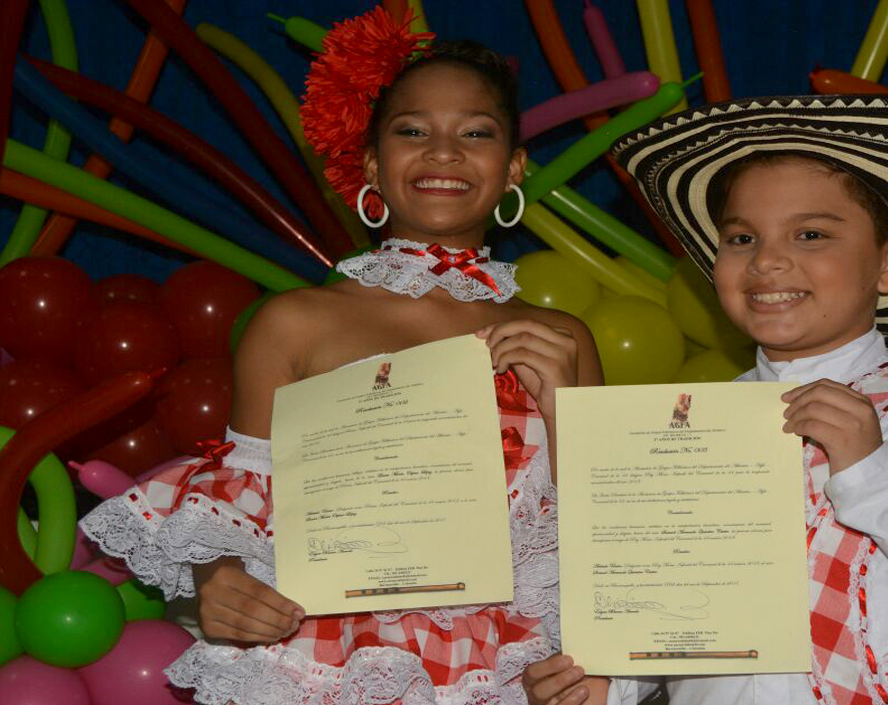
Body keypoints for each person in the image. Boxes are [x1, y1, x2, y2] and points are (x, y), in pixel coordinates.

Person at [81, 8, 602, 705]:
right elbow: (244, 497)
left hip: (517, 668)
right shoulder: (294, 323)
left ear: (513, 168)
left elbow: (614, 535)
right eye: (412, 130)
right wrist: (221, 580)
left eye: (475, 133)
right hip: (334, 663)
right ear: (369, 164)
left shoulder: (560, 335)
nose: (443, 152)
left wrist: (565, 405)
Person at [523, 95, 888, 705]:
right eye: (741, 237)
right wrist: (615, 680)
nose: (767, 260)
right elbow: (676, 607)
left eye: (811, 234)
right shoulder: (688, 430)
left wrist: (878, 482)